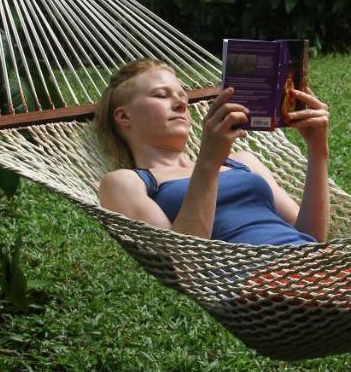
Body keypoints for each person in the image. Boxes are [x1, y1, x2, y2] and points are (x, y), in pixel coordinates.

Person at [94, 59, 331, 245]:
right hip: (258, 280)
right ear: (124, 116)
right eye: (161, 95)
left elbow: (311, 237)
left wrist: (318, 151)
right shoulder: (125, 182)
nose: (180, 104)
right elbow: (184, 262)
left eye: (182, 96)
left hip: (311, 263)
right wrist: (209, 161)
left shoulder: (243, 161)